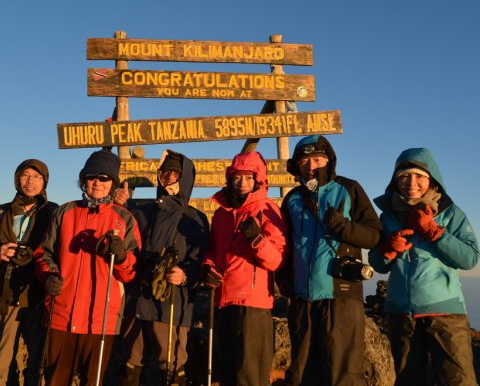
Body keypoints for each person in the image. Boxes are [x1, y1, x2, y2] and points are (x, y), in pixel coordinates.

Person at [368, 147, 479, 385]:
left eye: (419, 176)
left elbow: (470, 258)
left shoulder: (450, 213)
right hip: (400, 313)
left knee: (457, 381)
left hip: (445, 314)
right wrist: (388, 249)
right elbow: (378, 263)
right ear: (395, 180)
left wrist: (435, 232)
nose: (412, 182)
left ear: (432, 180)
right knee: (409, 380)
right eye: (404, 176)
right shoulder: (388, 216)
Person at [33, 149, 142, 385]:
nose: (98, 182)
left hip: (101, 318)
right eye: (92, 176)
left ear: (113, 182)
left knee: (92, 380)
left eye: (105, 178)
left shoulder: (124, 218)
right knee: (55, 379)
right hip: (61, 313)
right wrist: (48, 275)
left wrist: (121, 256)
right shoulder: (66, 211)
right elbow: (43, 253)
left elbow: (131, 271)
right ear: (83, 180)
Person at [281, 135, 381, 386]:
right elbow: (285, 246)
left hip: (341, 296)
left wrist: (342, 226)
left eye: (317, 159)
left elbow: (374, 236)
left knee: (342, 374)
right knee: (302, 374)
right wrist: (285, 284)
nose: (311, 165)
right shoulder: (292, 199)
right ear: (297, 164)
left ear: (328, 160)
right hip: (302, 299)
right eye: (304, 160)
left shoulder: (348, 189)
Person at [120, 150, 209, 386]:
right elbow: (127, 240)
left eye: (174, 173)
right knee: (131, 357)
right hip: (138, 297)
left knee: (170, 359)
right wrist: (119, 206)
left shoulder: (195, 218)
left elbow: (199, 258)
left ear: (185, 177)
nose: (168, 177)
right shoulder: (143, 211)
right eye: (164, 172)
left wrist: (186, 274)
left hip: (172, 299)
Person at [200, 150, 288, 386]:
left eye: (249, 177)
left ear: (259, 179)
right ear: (229, 179)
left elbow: (276, 260)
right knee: (227, 373)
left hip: (253, 305)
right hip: (222, 301)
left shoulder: (268, 209)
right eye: (237, 177)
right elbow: (213, 249)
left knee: (249, 376)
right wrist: (208, 267)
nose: (242, 183)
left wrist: (258, 240)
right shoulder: (221, 214)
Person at [0, 159, 58, 385]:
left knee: (38, 363)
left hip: (38, 298)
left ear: (45, 182)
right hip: (5, 296)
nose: (30, 182)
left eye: (37, 177)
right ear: (17, 179)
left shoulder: (53, 213)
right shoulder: (2, 212)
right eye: (25, 175)